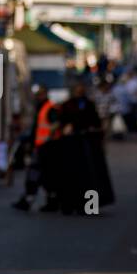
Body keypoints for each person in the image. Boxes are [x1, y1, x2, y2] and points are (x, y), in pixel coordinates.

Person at [56, 82, 115, 214]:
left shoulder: (88, 105)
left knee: (90, 178)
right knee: (70, 177)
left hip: (87, 146)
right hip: (71, 146)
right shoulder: (68, 105)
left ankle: (89, 206)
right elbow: (62, 124)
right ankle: (69, 205)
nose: (79, 92)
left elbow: (96, 124)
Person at [12, 86, 60, 212]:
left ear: (44, 94)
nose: (37, 97)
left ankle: (31, 200)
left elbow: (55, 124)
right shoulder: (42, 107)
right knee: (44, 175)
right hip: (41, 146)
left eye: (39, 94)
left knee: (38, 174)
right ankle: (47, 201)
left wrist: (48, 137)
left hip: (47, 147)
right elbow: (37, 128)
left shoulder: (49, 107)